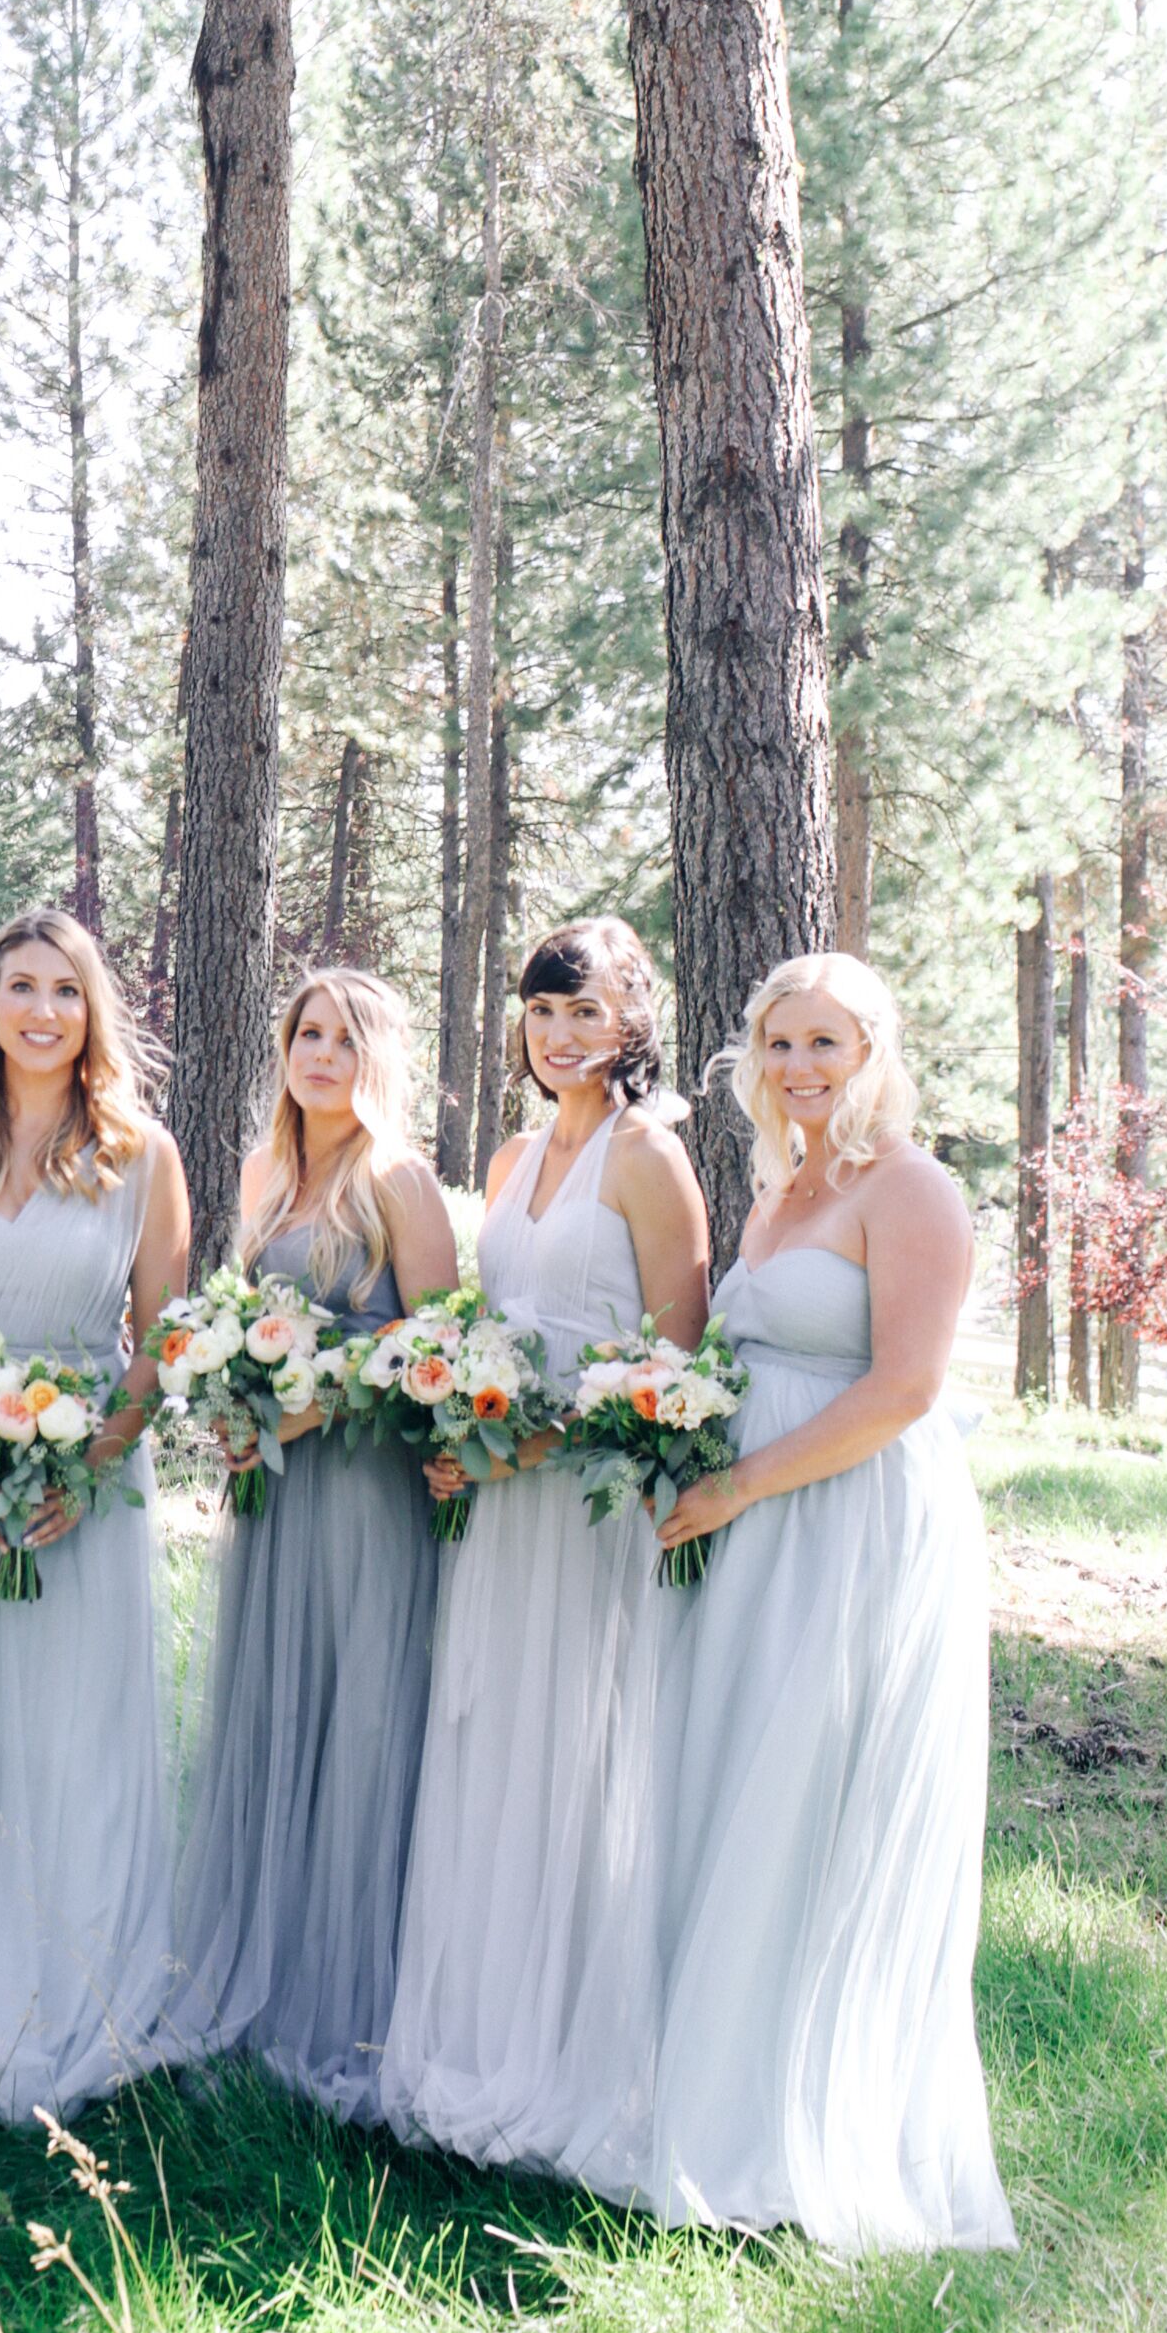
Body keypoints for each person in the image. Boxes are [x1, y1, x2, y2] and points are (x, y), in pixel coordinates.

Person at [639, 955, 1015, 2250]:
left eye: (827, 1043)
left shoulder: (910, 1189)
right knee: (750, 1794)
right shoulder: (786, 1184)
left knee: (819, 1799)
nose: (801, 1065)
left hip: (849, 1525)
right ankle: (724, 2095)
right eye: (781, 1042)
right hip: (759, 1524)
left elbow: (907, 1385)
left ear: (874, 1051)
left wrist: (742, 1484)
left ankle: (806, 2127)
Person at [381, 916, 710, 2186]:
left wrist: (538, 1442)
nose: (562, 1035)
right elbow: (486, 1320)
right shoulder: (515, 1155)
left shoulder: (648, 1160)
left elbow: (674, 1364)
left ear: (633, 1018)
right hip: (495, 1502)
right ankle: (474, 2044)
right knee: (489, 1749)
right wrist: (457, 1419)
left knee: (575, 1763)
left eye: (586, 1012)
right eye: (542, 1012)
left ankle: (572, 2065)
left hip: (582, 1510)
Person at [0, 909, 190, 2124]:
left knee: (80, 1736)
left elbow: (159, 1338)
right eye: (21, 987)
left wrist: (86, 1464)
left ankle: (80, 1987)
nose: (42, 1012)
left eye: (66, 992)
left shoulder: (142, 1154)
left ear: (91, 1012)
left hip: (89, 1483)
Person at [167, 966, 457, 2114]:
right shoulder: (266, 1175)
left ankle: (356, 2005)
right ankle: (269, 1972)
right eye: (305, 1033)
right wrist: (240, 1408)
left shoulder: (400, 1182)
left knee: (364, 1719)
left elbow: (431, 1352)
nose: (321, 1053)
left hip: (366, 1489)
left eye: (345, 1037)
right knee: (276, 1713)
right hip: (277, 1492)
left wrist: (311, 1400)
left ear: (376, 1058)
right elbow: (245, 1327)